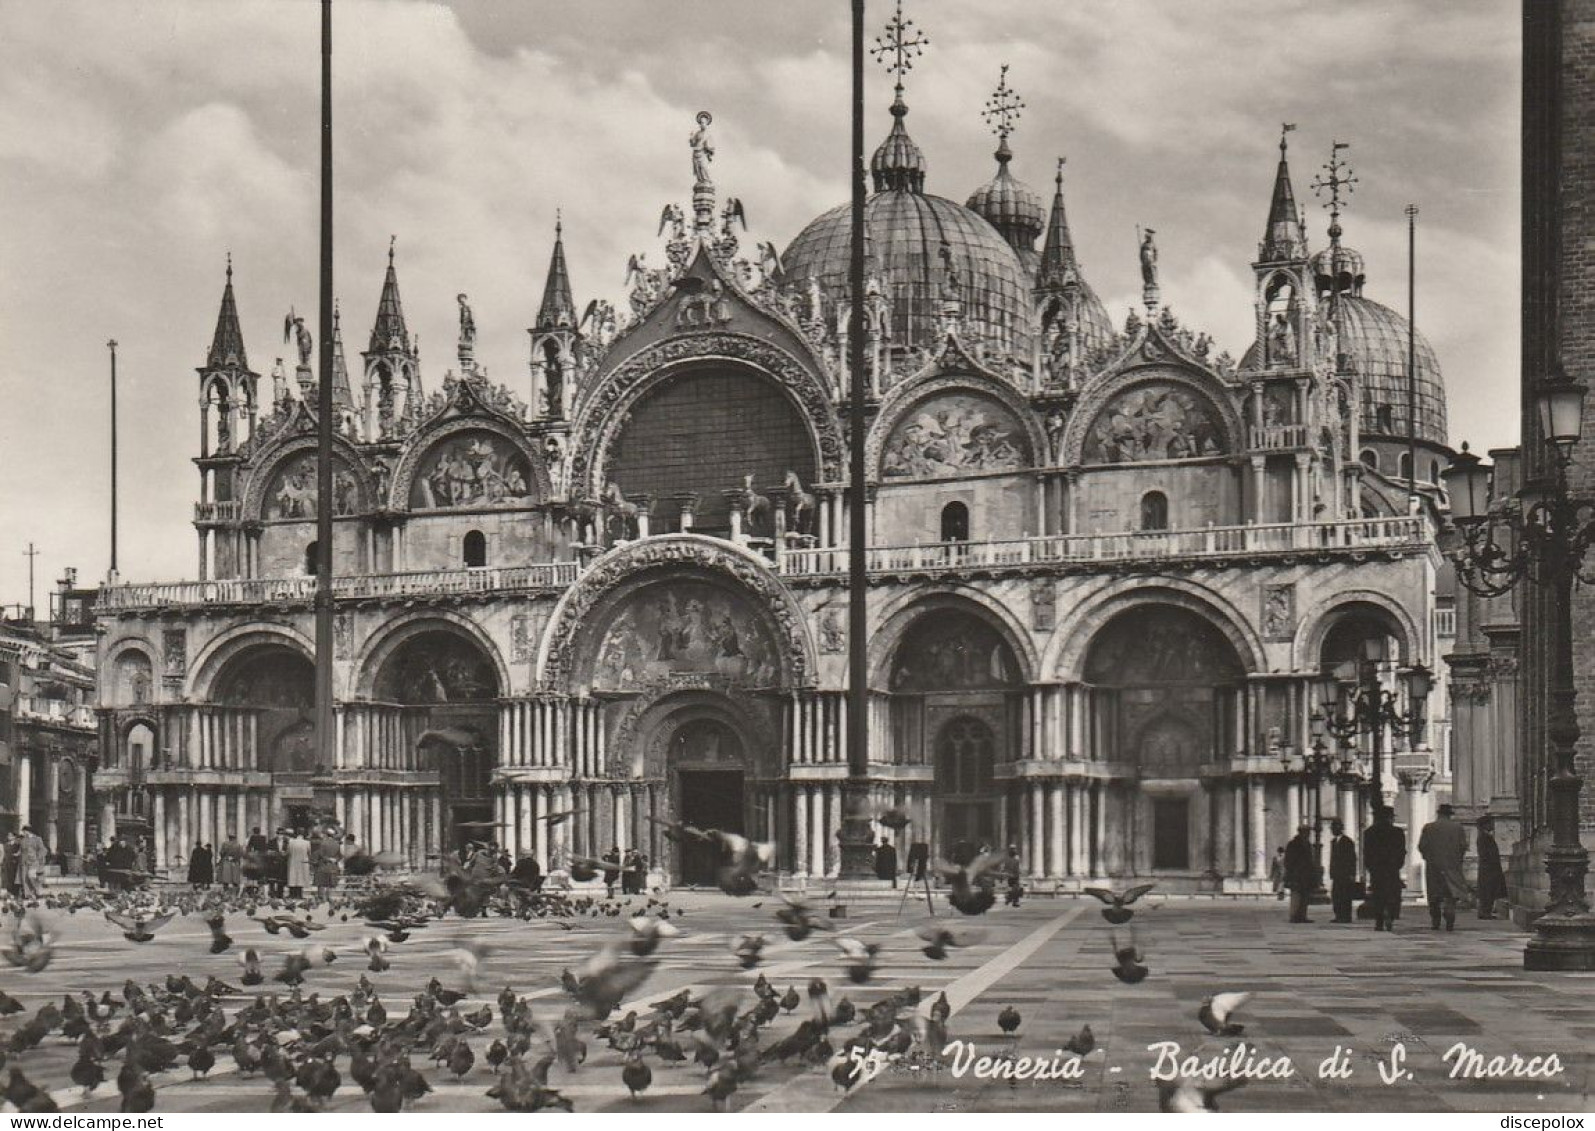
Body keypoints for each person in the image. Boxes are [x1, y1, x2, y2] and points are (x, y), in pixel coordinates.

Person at [1418, 803, 1470, 931]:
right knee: (1450, 893)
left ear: (1438, 814)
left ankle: (1435, 920)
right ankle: (1450, 914)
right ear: (1449, 815)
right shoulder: (1457, 828)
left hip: (1433, 866)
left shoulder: (1429, 827)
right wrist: (1458, 859)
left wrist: (1428, 857)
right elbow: (1463, 846)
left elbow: (1422, 846)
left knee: (1434, 894)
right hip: (1452, 866)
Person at [1363, 806, 1407, 932]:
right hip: (1392, 868)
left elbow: (1367, 853)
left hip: (1377, 869)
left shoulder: (1370, 832)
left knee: (1378, 895)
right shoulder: (1397, 832)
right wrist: (1397, 865)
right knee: (1392, 894)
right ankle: (1390, 916)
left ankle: (1379, 920)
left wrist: (1370, 868)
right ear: (1390, 817)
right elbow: (1401, 852)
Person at [1474, 815, 1508, 920]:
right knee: (1488, 890)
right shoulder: (1484, 838)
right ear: (1484, 825)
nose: (1492, 825)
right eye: (1489, 823)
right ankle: (1485, 911)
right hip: (1489, 868)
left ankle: (1485, 911)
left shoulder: (1485, 837)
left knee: (1489, 890)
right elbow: (1487, 854)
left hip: (1489, 867)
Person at [1283, 825, 1316, 923]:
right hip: (1296, 875)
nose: (1308, 834)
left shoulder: (1307, 844)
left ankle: (1302, 915)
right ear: (1301, 832)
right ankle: (1294, 916)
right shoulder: (1293, 844)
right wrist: (1292, 871)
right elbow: (1288, 860)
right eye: (1306, 832)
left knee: (1305, 896)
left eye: (1308, 832)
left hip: (1306, 875)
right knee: (1296, 895)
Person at [1328, 818, 1358, 924]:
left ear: (1340, 828)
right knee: (1336, 895)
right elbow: (1332, 859)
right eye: (1331, 827)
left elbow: (1352, 859)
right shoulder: (1333, 842)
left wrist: (1352, 873)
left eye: (1333, 827)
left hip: (1345, 874)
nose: (1332, 829)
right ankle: (1338, 915)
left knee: (1345, 896)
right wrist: (1331, 872)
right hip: (1337, 874)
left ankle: (1346, 916)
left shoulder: (1348, 842)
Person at [311, 828, 341, 903]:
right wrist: (335, 860)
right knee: (330, 882)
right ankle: (329, 896)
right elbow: (340, 855)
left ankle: (321, 898)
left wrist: (327, 859)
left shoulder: (323, 843)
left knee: (321, 882)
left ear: (326, 835)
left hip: (323, 865)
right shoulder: (337, 844)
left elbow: (321, 854)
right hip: (333, 866)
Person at [19, 824, 47, 900]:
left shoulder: (37, 839)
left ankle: (38, 892)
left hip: (33, 861)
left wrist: (38, 858)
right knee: (25, 879)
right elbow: (21, 850)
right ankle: (27, 895)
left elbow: (43, 850)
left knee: (31, 876)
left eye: (24, 831)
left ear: (28, 831)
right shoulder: (23, 839)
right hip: (24, 861)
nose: (23, 833)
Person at [285, 828, 312, 900]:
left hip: (293, 861)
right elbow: (309, 853)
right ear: (303, 834)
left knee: (293, 877)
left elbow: (288, 852)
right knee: (301, 878)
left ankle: (292, 894)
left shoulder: (291, 842)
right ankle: (299, 894)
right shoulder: (307, 843)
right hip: (303, 862)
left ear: (296, 833)